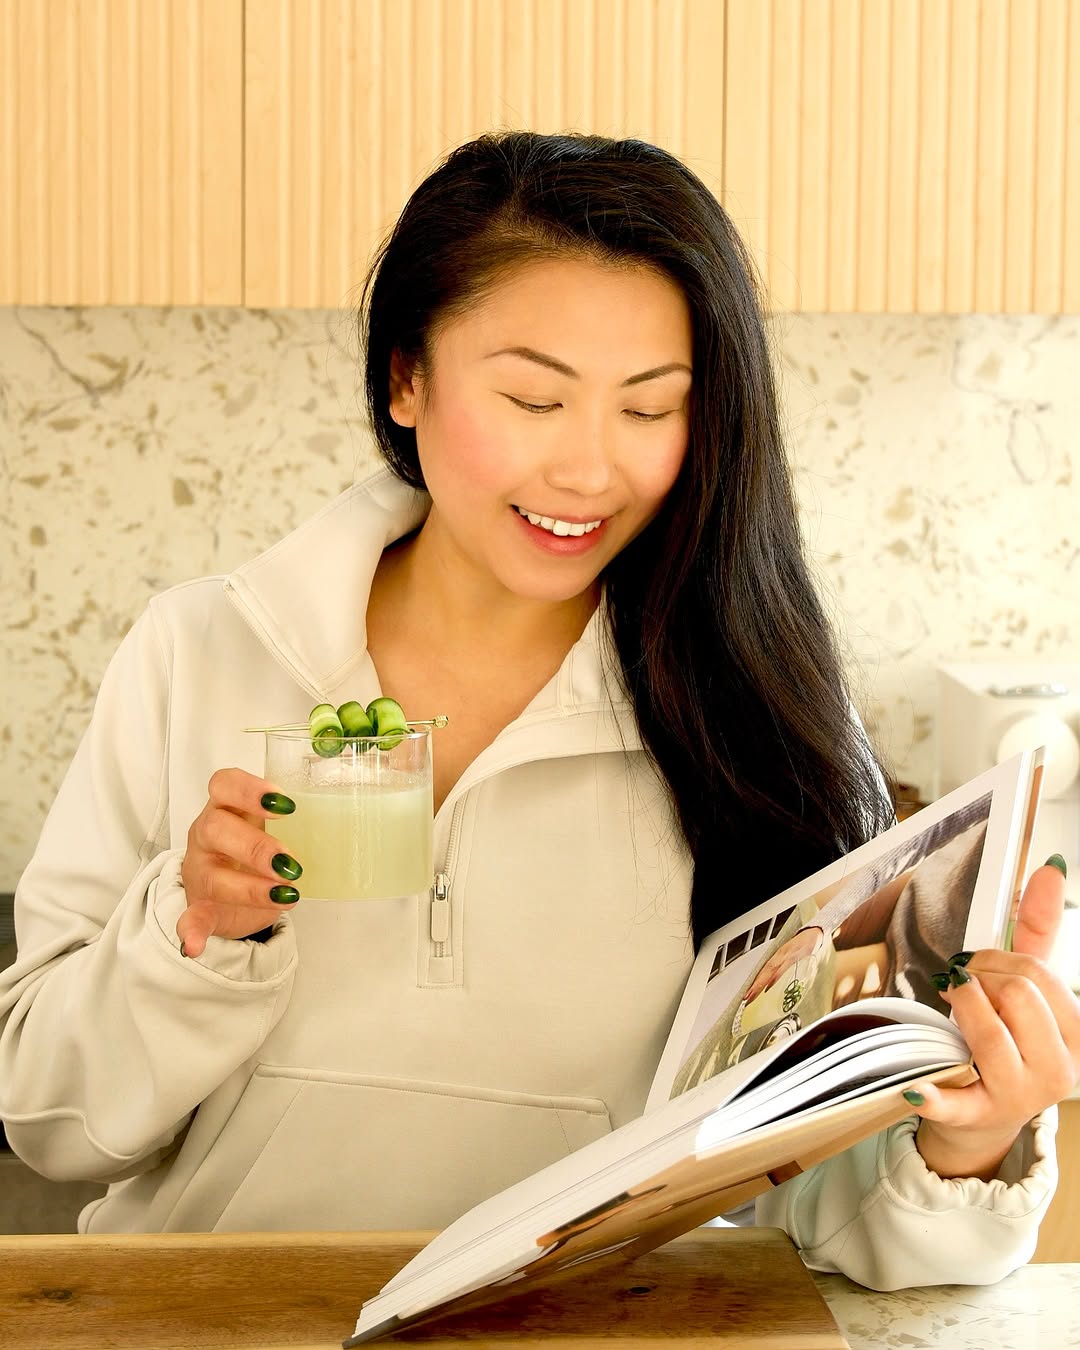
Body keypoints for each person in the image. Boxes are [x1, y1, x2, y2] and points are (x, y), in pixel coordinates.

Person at [0, 132, 1076, 1293]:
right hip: (221, 1318)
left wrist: (964, 1140)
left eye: (649, 408)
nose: (589, 470)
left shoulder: (758, 712)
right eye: (533, 396)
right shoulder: (199, 651)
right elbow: (47, 1118)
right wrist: (193, 933)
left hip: (593, 1327)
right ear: (406, 378)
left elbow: (822, 1207)